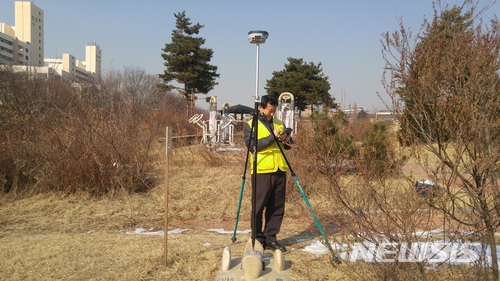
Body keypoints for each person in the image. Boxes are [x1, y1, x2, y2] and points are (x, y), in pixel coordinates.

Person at [243, 95, 292, 252]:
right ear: (261, 108)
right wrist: (273, 137)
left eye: (275, 110)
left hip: (279, 170)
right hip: (261, 171)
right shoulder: (251, 125)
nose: (273, 113)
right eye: (270, 110)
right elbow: (253, 146)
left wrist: (287, 139)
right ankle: (257, 239)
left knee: (277, 207)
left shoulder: (278, 123)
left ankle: (271, 238)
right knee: (258, 207)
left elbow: (288, 146)